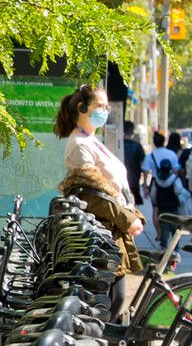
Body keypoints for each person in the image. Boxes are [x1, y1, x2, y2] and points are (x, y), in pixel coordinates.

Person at [55, 84, 145, 317]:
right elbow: (91, 196)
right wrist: (127, 219)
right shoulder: (79, 145)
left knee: (113, 301)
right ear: (82, 108)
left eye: (106, 106)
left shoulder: (91, 140)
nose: (104, 111)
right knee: (107, 304)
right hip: (102, 233)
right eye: (99, 106)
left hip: (113, 231)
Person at [122, 121, 146, 209]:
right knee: (133, 205)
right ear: (132, 131)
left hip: (121, 180)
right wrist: (145, 183)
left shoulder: (119, 145)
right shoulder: (137, 146)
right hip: (134, 180)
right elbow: (143, 165)